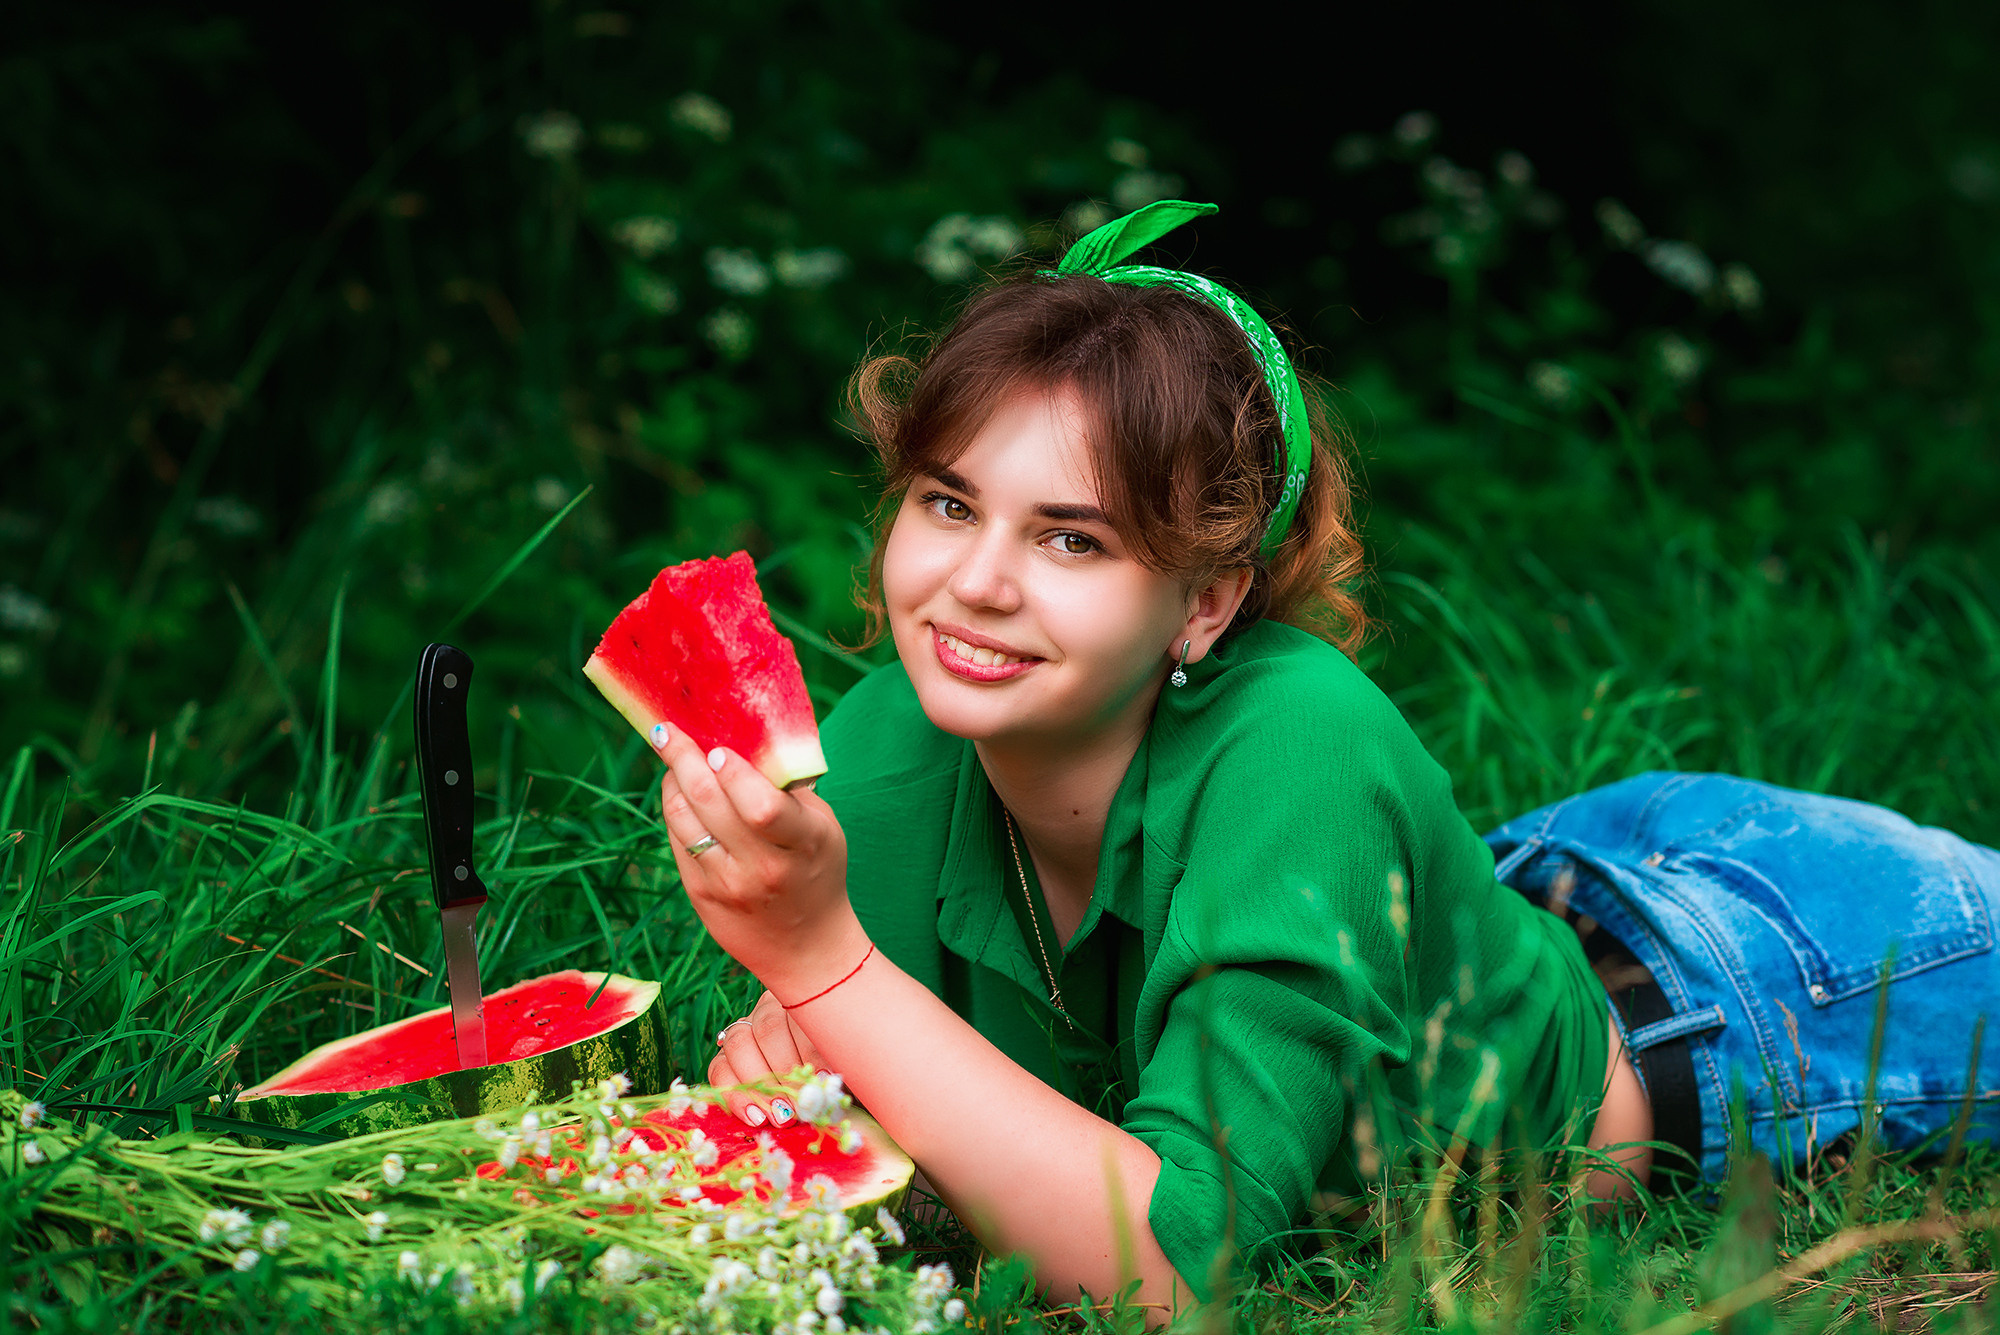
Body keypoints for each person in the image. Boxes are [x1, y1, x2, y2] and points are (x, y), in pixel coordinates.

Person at [645, 201, 2000, 1315]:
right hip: (1541, 875)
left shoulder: (1306, 744)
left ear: (1205, 602)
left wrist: (825, 968)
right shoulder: (885, 746)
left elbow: (1167, 1271)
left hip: (1761, 987)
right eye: (950, 503)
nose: (976, 583)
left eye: (1072, 538)